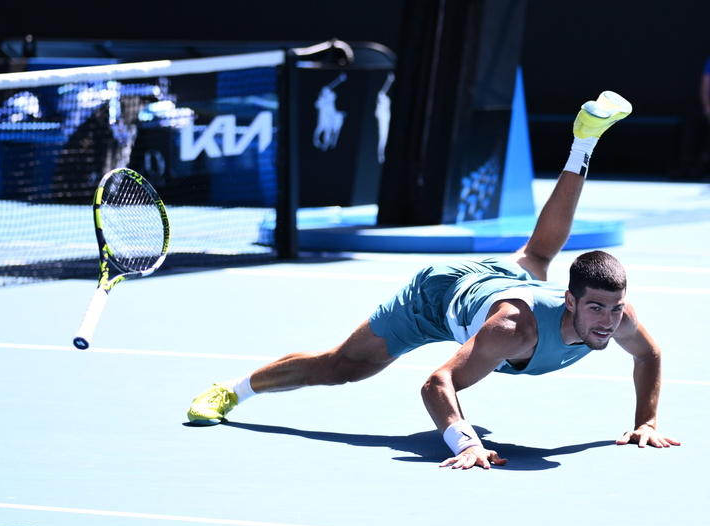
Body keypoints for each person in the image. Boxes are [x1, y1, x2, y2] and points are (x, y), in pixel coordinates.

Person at [187, 91, 681, 469]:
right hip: (438, 296)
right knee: (344, 367)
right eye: (596, 307)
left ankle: (584, 141)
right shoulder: (513, 331)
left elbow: (649, 354)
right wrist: (465, 441)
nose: (608, 320)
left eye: (615, 309)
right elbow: (436, 382)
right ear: (570, 302)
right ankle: (234, 389)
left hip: (501, 282)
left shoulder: (617, 316)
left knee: (537, 253)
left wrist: (646, 421)